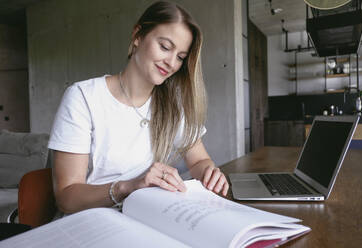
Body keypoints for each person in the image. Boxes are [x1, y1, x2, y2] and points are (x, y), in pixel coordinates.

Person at [48, 1, 229, 214]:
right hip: (92, 220)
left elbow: (199, 160)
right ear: (137, 36)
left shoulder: (172, 105)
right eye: (165, 47)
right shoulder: (83, 97)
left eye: (180, 57)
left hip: (147, 215)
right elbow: (67, 199)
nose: (171, 63)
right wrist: (128, 186)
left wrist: (209, 172)